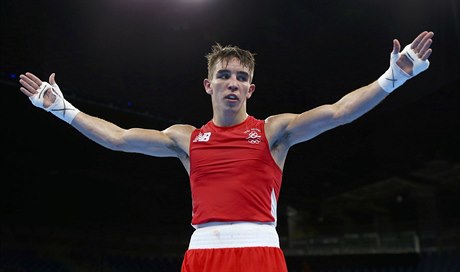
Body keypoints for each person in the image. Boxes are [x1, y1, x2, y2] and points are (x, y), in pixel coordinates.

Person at [19, 30, 434, 272]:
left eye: (240, 77)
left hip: (259, 252)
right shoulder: (185, 138)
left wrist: (392, 79)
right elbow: (118, 137)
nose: (232, 82)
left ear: (250, 89)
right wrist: (61, 108)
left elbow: (339, 112)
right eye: (224, 75)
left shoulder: (274, 131)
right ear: (209, 85)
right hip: (202, 254)